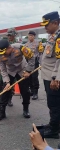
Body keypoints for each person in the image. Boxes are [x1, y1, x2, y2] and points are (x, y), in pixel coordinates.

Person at [0, 39, 35, 121]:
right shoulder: (0, 54)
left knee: (25, 91)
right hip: (10, 71)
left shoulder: (20, 47)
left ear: (9, 47)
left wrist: (28, 71)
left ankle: (26, 109)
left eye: (5, 52)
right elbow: (3, 69)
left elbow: (31, 57)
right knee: (5, 91)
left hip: (22, 69)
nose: (4, 55)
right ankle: (2, 112)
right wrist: (7, 82)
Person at [40, 11, 60, 139]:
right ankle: (53, 124)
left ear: (55, 23)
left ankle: (54, 130)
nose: (45, 27)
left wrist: (55, 78)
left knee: (54, 104)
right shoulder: (53, 35)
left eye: (47, 25)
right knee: (52, 103)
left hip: (53, 78)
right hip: (48, 76)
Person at [0, 28, 17, 106]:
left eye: (11, 35)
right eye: (8, 35)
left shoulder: (16, 44)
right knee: (2, 83)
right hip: (4, 66)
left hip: (13, 68)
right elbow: (0, 57)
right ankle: (1, 97)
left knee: (11, 84)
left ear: (14, 35)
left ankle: (9, 99)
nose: (9, 36)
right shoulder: (3, 43)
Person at [25, 31, 44, 100]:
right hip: (28, 62)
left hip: (35, 62)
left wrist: (41, 63)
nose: (30, 37)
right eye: (29, 35)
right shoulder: (26, 44)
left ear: (34, 36)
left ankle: (36, 92)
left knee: (34, 77)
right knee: (29, 77)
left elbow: (40, 54)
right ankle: (32, 91)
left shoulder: (38, 43)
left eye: (32, 35)